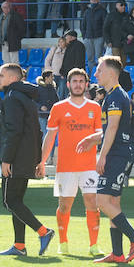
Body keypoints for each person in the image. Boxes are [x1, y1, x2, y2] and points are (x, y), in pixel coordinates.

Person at [75, 56, 134, 263]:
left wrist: (102, 156)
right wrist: (93, 137)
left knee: (102, 201)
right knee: (113, 203)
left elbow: (113, 129)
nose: (95, 74)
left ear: (111, 73)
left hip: (116, 154)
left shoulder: (115, 97)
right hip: (121, 152)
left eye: (99, 70)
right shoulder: (115, 96)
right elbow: (110, 129)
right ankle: (117, 253)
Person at [37, 68, 104, 256]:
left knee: (92, 203)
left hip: (89, 166)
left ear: (86, 84)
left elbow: (102, 134)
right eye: (74, 81)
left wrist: (92, 139)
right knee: (64, 205)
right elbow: (50, 137)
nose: (77, 84)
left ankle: (94, 245)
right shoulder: (59, 108)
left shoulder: (95, 107)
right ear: (68, 84)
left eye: (81, 81)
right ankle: (63, 242)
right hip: (65, 166)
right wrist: (42, 161)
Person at [0, 63, 55, 256]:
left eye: (1, 76)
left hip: (16, 157)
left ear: (13, 79)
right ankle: (19, 246)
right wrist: (37, 159)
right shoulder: (26, 98)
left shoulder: (12, 98)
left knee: (9, 201)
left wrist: (6, 159)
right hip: (27, 156)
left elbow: (13, 131)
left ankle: (43, 231)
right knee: (17, 200)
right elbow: (37, 131)